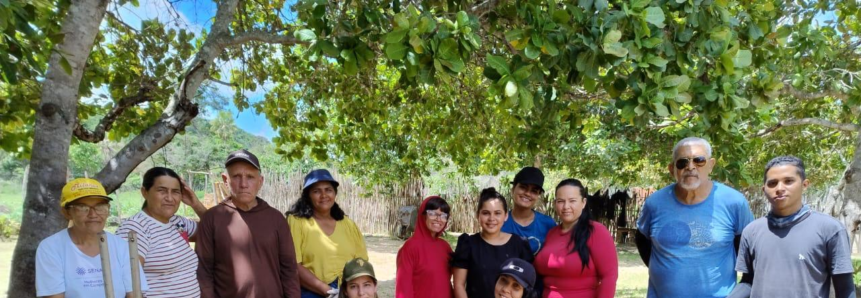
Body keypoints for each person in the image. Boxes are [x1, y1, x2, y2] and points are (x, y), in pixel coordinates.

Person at [635, 137, 754, 297]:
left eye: (699, 160)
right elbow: (642, 241)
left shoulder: (733, 202)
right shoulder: (654, 203)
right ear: (672, 169)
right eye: (682, 162)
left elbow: (750, 253)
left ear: (711, 165)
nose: (690, 167)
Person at [729, 156, 855, 298]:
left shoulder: (830, 229)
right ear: (764, 189)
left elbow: (845, 288)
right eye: (772, 183)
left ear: (805, 184)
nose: (780, 188)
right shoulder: (752, 231)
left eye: (788, 181)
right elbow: (748, 281)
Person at [195, 149, 300, 297]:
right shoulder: (212, 218)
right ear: (226, 180)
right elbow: (204, 271)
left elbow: (289, 269)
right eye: (236, 176)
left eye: (250, 177)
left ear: (260, 181)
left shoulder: (276, 219)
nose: (244, 184)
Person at [36, 178, 148, 298]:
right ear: (67, 212)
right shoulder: (51, 248)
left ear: (108, 209)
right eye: (83, 208)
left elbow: (134, 294)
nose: (93, 215)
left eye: (100, 207)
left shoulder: (121, 247)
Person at [116, 167, 207, 298]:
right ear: (145, 192)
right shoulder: (135, 228)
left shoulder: (178, 223)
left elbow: (215, 230)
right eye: (161, 191)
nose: (169, 198)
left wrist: (195, 203)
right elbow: (130, 285)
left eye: (175, 192)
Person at [288, 169, 369, 298]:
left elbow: (361, 262)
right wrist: (329, 292)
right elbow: (292, 264)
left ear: (335, 193)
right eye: (316, 191)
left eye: (328, 190)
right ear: (308, 195)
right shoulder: (297, 222)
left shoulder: (348, 224)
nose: (324, 195)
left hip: (348, 291)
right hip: (311, 291)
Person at [534, 179, 618, 298]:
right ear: (555, 203)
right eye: (560, 201)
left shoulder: (596, 231)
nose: (566, 206)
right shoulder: (551, 233)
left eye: (572, 201)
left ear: (583, 202)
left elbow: (609, 277)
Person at [453, 187, 533, 298]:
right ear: (478, 215)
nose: (492, 218)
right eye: (486, 213)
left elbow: (526, 286)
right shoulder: (468, 244)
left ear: (505, 216)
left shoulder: (519, 245)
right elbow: (459, 285)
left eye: (497, 213)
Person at [396, 196, 453, 298]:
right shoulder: (410, 248)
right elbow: (403, 290)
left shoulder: (445, 247)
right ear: (423, 215)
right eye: (433, 214)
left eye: (443, 215)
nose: (438, 219)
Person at [501, 167, 557, 255]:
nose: (527, 193)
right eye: (523, 187)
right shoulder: (499, 222)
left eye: (534, 191)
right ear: (513, 189)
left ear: (538, 195)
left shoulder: (548, 224)